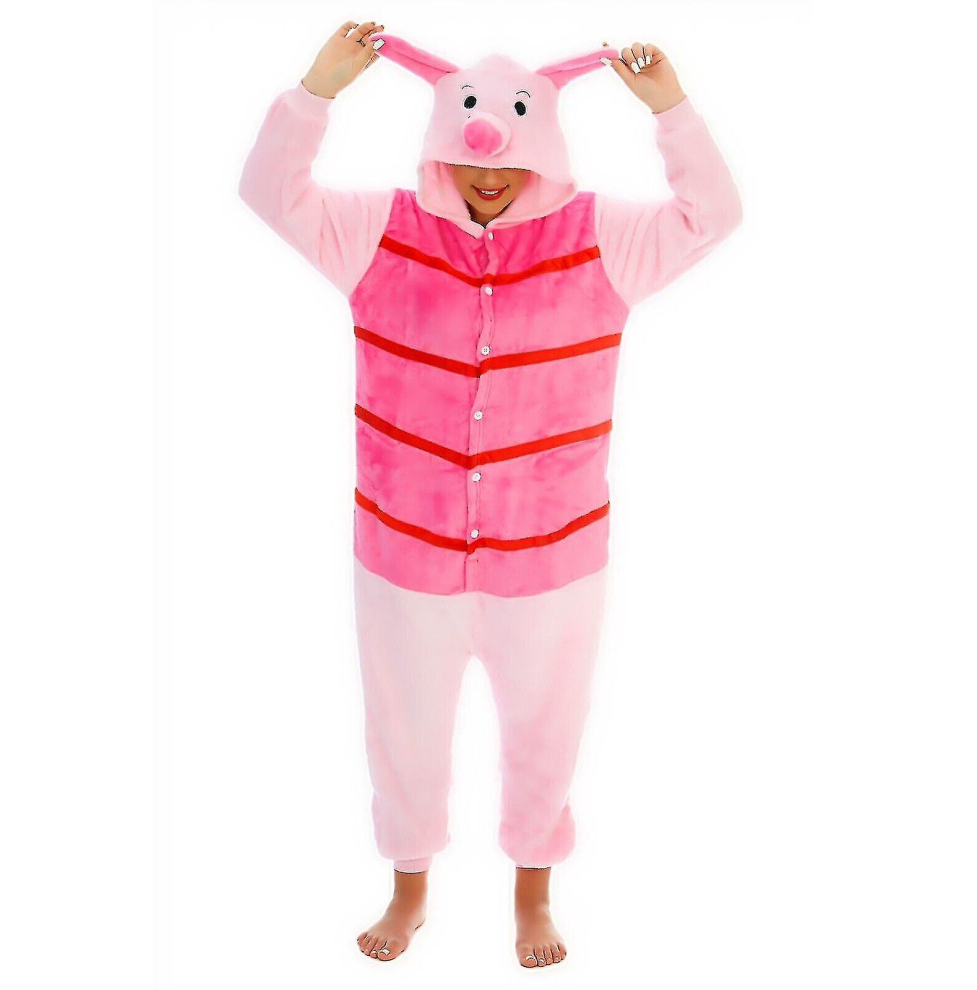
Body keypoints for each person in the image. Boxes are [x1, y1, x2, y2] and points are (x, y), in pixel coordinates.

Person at [239, 18, 742, 967]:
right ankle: (409, 888)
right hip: (404, 552)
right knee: (403, 731)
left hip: (550, 558)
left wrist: (669, 109)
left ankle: (533, 895)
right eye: (470, 144)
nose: (489, 167)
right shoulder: (380, 231)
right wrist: (318, 87)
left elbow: (711, 216)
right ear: (440, 138)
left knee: (546, 731)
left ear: (546, 147)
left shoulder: (602, 238)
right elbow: (270, 190)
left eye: (515, 150)